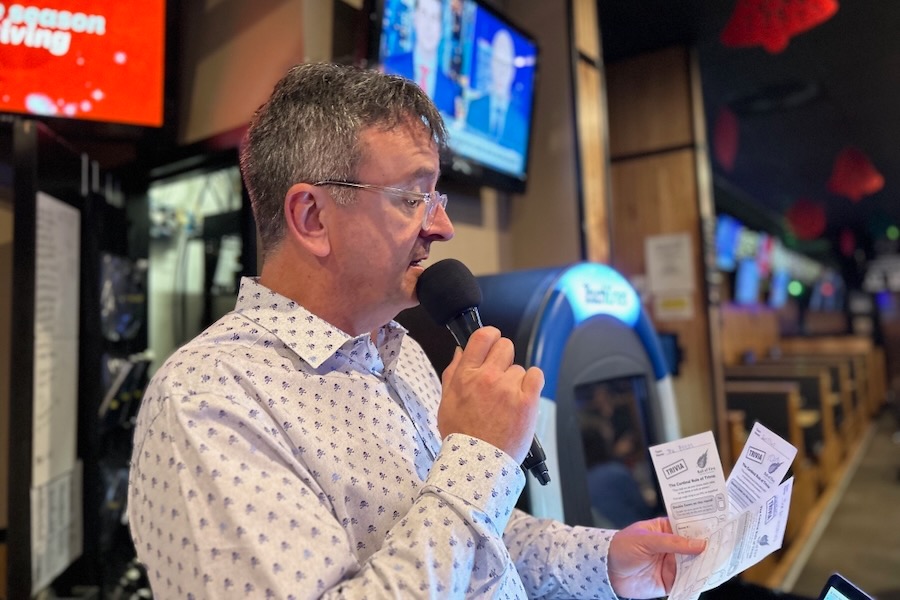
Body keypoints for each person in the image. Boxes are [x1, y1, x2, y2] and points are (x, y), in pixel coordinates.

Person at [127, 62, 706, 598]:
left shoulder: (400, 356)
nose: (444, 226)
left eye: (437, 197)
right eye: (413, 197)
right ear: (312, 218)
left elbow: (481, 538)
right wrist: (479, 454)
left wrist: (605, 561)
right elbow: (462, 504)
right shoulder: (209, 397)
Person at [381, 0, 460, 115]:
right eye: (424, 14)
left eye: (434, 18)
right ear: (415, 19)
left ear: (441, 28)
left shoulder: (449, 89)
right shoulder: (390, 66)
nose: (428, 26)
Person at [465, 27, 528, 151]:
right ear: (491, 65)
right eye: (498, 62)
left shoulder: (520, 126)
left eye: (506, 64)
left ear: (513, 71)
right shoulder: (474, 107)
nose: (501, 72)